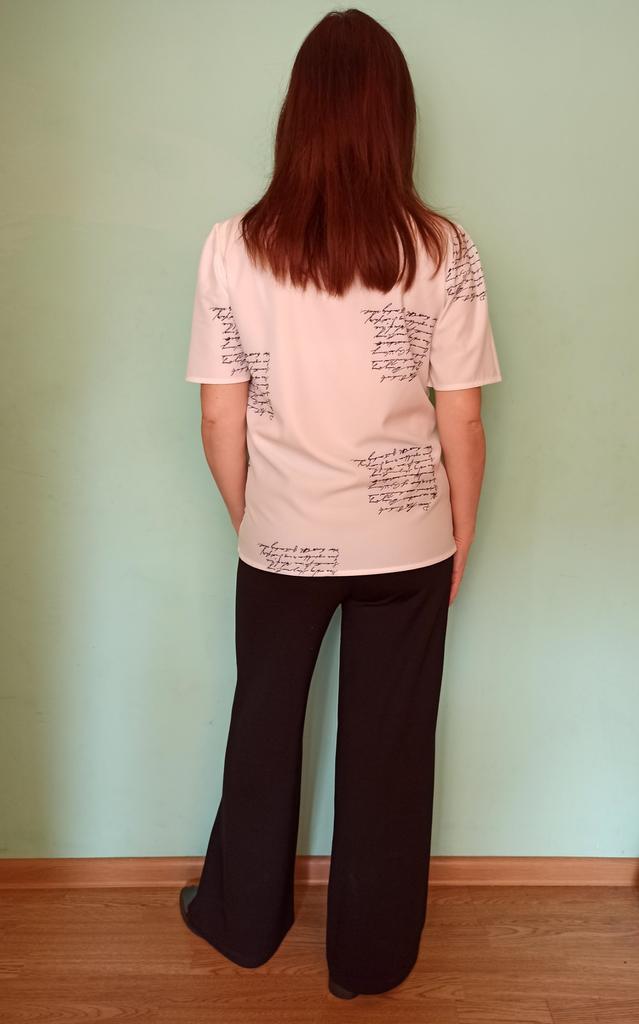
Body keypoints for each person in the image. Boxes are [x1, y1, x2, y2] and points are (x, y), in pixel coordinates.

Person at [179, 6, 502, 1000]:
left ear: (298, 116)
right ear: (394, 118)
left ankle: (242, 921)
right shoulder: (442, 249)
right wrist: (459, 534)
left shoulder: (234, 246)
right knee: (390, 751)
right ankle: (372, 956)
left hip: (282, 536)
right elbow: (461, 420)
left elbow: (220, 418)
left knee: (263, 724)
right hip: (407, 542)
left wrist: (253, 516)